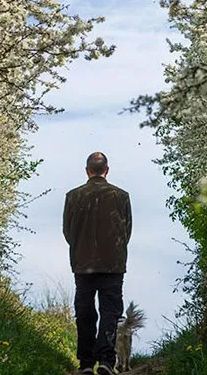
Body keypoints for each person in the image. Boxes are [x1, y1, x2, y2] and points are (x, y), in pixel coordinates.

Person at [63, 152, 132, 375]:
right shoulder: (121, 196)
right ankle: (105, 361)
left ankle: (85, 363)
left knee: (84, 311)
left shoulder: (73, 196)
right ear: (107, 170)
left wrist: (80, 247)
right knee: (110, 311)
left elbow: (67, 232)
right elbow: (127, 231)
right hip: (113, 264)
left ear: (87, 171)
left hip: (83, 264)